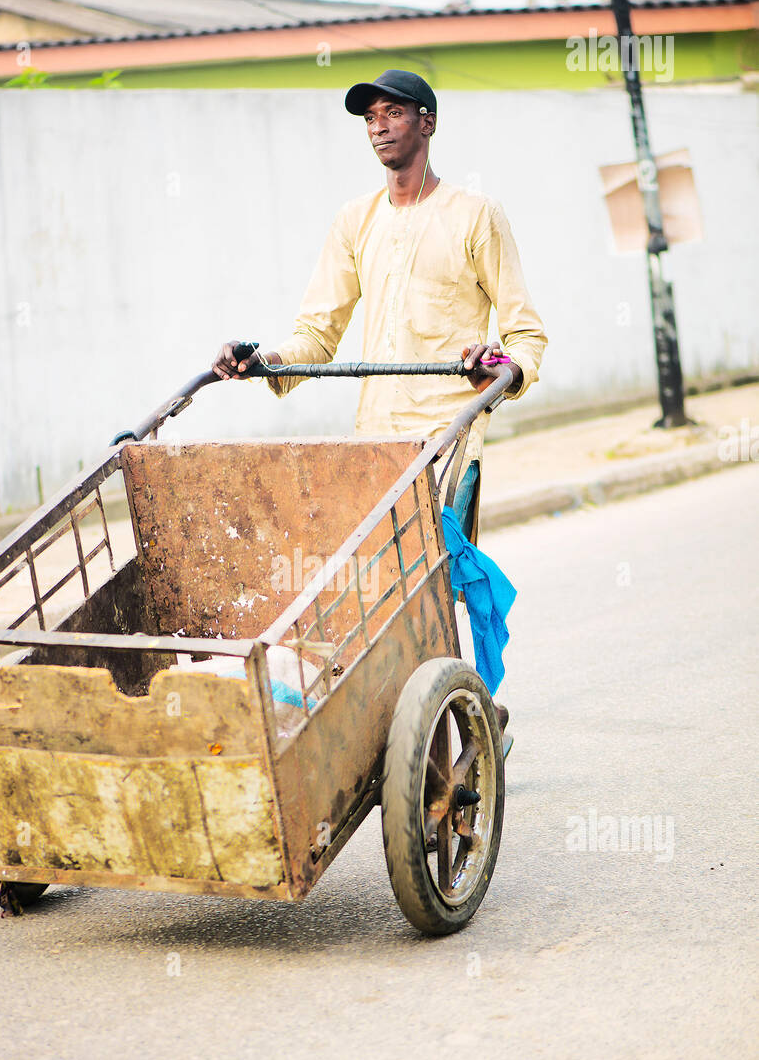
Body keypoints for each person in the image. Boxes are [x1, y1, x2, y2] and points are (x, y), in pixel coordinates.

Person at [213, 69, 546, 724]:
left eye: (392, 113)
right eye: (369, 117)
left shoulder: (474, 215)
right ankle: (395, 710)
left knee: (428, 589)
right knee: (361, 587)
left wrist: (498, 368)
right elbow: (316, 334)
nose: (378, 127)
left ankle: (457, 711)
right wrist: (263, 361)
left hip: (447, 441)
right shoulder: (353, 221)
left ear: (426, 122)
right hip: (372, 442)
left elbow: (524, 333)